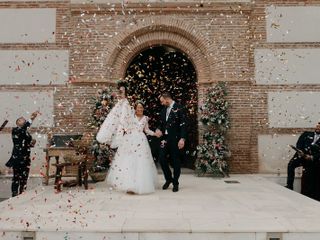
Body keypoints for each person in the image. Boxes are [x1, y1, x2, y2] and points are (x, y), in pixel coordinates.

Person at [96, 82, 158, 194]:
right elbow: (125, 110)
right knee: (129, 161)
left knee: (141, 161)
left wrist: (155, 134)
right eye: (138, 107)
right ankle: (129, 185)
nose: (140, 109)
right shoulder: (130, 116)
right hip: (130, 140)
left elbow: (147, 130)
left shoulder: (145, 118)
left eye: (141, 107)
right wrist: (123, 96)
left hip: (141, 140)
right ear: (135, 109)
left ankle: (140, 184)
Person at [156, 92, 187, 192]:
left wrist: (182, 139)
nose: (162, 103)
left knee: (175, 161)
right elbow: (161, 123)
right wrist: (158, 129)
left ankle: (175, 182)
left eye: (162, 101)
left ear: (167, 99)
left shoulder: (179, 108)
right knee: (161, 158)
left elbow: (183, 125)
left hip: (175, 139)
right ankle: (169, 178)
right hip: (164, 139)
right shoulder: (164, 110)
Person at [6, 111, 39, 197]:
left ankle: (22, 193)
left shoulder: (26, 132)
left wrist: (32, 143)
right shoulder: (15, 130)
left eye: (24, 119)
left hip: (26, 157)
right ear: (17, 123)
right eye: (21, 120)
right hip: (17, 157)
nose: (23, 120)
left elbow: (26, 144)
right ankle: (14, 193)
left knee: (24, 177)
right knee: (16, 176)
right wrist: (31, 118)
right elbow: (24, 128)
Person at [286, 122, 320, 190]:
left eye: (319, 127)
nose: (317, 128)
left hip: (312, 160)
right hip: (301, 156)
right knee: (290, 165)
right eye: (317, 126)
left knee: (310, 174)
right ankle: (289, 186)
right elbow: (299, 143)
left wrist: (312, 157)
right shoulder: (306, 134)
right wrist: (300, 151)